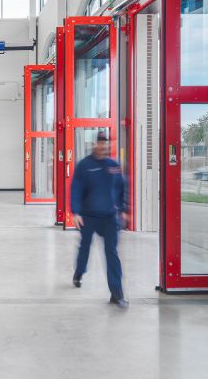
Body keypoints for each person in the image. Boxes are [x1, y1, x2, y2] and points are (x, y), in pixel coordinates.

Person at [70, 131, 129, 308]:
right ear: (95, 144)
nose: (103, 147)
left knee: (111, 252)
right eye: (100, 143)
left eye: (106, 144)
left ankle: (117, 294)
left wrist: (124, 209)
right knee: (85, 248)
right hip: (88, 216)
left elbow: (121, 188)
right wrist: (76, 212)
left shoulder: (114, 166)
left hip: (109, 217)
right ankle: (79, 273)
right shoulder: (84, 165)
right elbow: (76, 190)